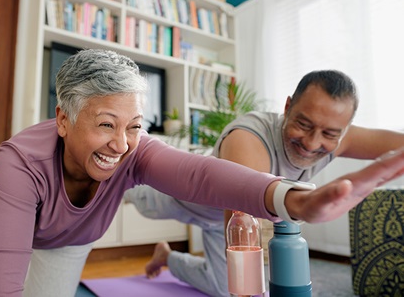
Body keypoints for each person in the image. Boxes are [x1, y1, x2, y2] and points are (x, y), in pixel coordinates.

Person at [0, 51, 404, 296]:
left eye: (133, 126)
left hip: (69, 239)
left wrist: (295, 199)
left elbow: (199, 173)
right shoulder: (22, 164)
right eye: (105, 125)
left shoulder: (134, 150)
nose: (121, 143)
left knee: (132, 171)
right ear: (62, 119)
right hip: (8, 191)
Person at [123, 69, 404, 297]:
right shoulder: (248, 138)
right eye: (303, 125)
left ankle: (167, 257)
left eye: (330, 134)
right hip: (181, 199)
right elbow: (243, 228)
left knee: (223, 288)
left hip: (221, 221)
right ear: (288, 106)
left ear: (344, 130)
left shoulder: (341, 136)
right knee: (131, 189)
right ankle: (123, 180)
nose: (312, 142)